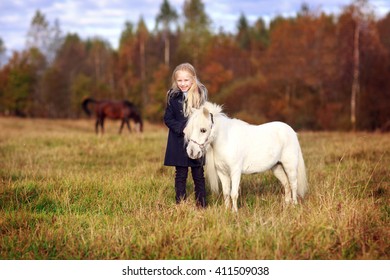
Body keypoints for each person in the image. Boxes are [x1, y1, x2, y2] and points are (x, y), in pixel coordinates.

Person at [163, 63, 208, 208]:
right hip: (178, 141)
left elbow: (203, 118)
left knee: (198, 174)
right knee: (180, 174)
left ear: (193, 79)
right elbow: (168, 119)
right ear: (176, 81)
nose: (183, 84)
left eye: (186, 80)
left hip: (196, 142)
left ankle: (201, 204)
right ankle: (180, 203)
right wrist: (182, 128)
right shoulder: (173, 96)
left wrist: (194, 130)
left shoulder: (200, 95)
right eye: (179, 81)